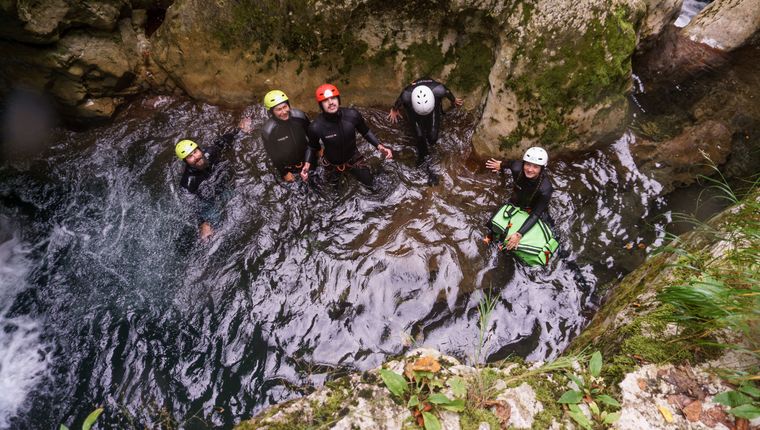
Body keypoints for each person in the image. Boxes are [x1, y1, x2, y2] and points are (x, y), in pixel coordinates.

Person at [300, 84, 392, 188]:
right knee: (334, 196)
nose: (331, 102)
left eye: (333, 98)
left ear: (338, 99)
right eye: (326, 100)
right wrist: (307, 164)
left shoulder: (352, 115)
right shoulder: (316, 126)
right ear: (321, 105)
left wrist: (379, 146)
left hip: (354, 159)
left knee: (372, 186)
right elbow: (312, 147)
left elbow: (365, 132)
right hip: (332, 164)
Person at [175, 118, 251, 240]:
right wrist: (202, 223)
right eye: (190, 157)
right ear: (185, 162)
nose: (196, 157)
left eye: (195, 152)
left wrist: (241, 129)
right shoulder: (188, 182)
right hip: (206, 203)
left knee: (242, 204)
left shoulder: (210, 152)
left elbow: (225, 140)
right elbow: (190, 207)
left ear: (200, 149)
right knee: (215, 229)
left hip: (224, 187)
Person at [484, 147, 553, 250]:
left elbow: (535, 214)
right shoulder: (517, 167)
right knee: (491, 223)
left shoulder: (545, 189)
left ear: (542, 169)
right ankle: (491, 238)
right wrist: (500, 165)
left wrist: (519, 234)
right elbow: (509, 163)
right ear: (523, 163)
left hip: (533, 209)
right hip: (515, 202)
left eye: (535, 167)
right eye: (528, 164)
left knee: (552, 233)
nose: (530, 169)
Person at [387, 77, 463, 165]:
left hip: (432, 103)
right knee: (420, 136)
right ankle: (423, 159)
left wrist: (454, 100)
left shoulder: (438, 90)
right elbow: (399, 101)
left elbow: (447, 92)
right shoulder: (407, 95)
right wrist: (394, 109)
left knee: (433, 138)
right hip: (414, 109)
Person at [260, 89, 317, 182]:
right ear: (272, 112)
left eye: (285, 107)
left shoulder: (300, 117)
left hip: (307, 156)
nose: (284, 112)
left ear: (288, 105)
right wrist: (284, 173)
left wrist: (313, 155)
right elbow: (273, 155)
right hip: (289, 166)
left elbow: (312, 138)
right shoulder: (269, 131)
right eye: (278, 109)